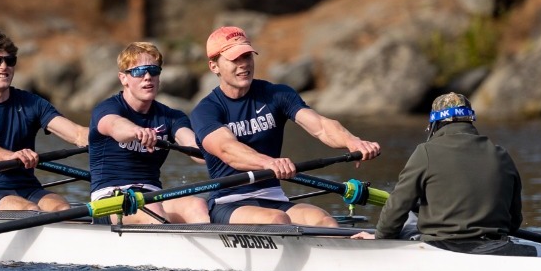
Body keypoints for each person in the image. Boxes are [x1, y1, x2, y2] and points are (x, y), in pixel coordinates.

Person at [190, 25, 380, 226]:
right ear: (214, 66)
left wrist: (352, 142)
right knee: (277, 220)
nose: (243, 64)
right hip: (229, 203)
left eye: (247, 56)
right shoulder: (205, 111)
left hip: (274, 198)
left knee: (324, 220)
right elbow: (226, 149)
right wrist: (268, 163)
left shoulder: (276, 94)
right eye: (234, 59)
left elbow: (321, 126)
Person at [0, 31, 89, 212]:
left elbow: (77, 134)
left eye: (10, 61)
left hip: (27, 187)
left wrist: (110, 136)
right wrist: (11, 156)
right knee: (28, 209)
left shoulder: (32, 103)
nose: (4, 66)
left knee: (63, 209)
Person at [369, 92, 523, 246]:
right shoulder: (502, 155)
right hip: (495, 245)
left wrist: (379, 239)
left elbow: (397, 207)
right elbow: (514, 221)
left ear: (435, 124)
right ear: (470, 120)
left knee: (409, 218)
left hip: (440, 245)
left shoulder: (425, 152)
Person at [88, 41, 210, 224]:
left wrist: (222, 149)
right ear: (123, 78)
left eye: (153, 71)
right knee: (154, 211)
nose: (147, 77)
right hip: (110, 200)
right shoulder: (107, 109)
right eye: (139, 71)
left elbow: (194, 147)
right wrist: (137, 131)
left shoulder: (171, 116)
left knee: (197, 205)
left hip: (153, 196)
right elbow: (115, 126)